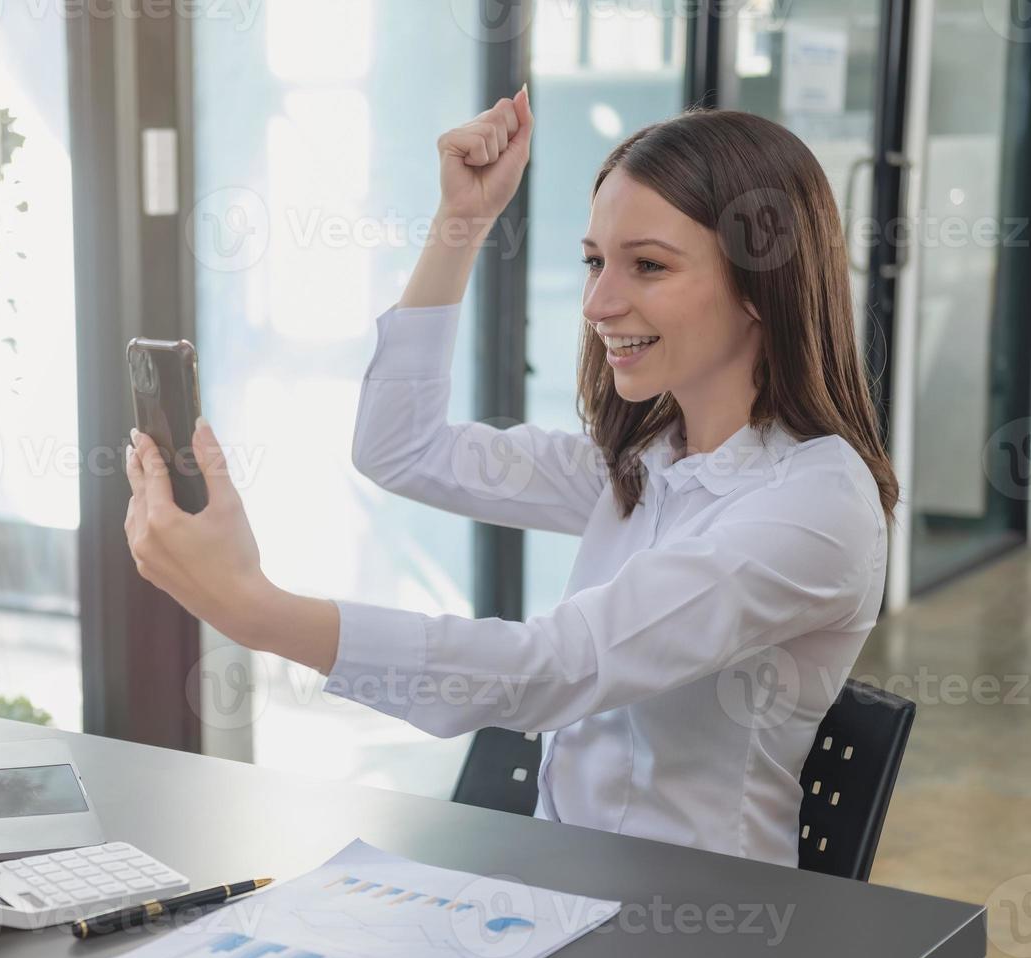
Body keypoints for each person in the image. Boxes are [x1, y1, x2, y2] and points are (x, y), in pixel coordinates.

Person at [122, 85, 900, 868]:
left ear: (762, 283)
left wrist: (253, 610)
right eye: (596, 261)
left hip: (696, 926)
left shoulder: (815, 507)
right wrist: (460, 224)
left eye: (648, 266)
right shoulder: (646, 458)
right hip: (562, 887)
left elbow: (554, 668)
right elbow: (401, 448)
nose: (598, 302)